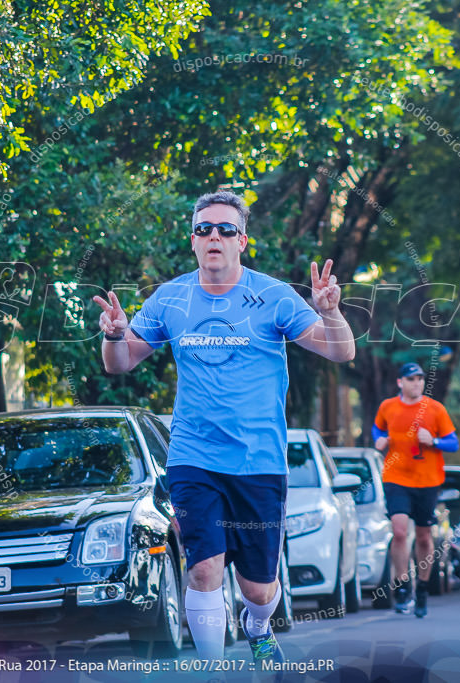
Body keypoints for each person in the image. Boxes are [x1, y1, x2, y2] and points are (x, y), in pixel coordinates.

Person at [93, 191, 354, 662]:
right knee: (204, 570)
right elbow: (121, 363)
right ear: (193, 241)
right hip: (195, 458)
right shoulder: (170, 298)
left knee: (259, 589)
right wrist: (114, 335)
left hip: (259, 461)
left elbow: (339, 351)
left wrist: (331, 312)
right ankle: (214, 670)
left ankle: (258, 627)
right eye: (204, 229)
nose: (214, 236)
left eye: (225, 229)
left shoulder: (273, 295)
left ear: (242, 241)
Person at [372, 362, 459, 618]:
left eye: (420, 379)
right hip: (396, 477)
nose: (416, 383)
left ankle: (421, 586)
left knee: (423, 536)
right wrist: (379, 439)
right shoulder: (388, 406)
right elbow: (378, 427)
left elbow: (453, 443)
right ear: (400, 382)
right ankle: (401, 586)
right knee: (399, 531)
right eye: (411, 379)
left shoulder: (435, 409)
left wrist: (433, 441)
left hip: (428, 480)